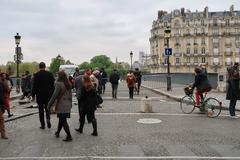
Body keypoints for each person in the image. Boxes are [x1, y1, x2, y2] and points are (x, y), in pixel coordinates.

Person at [47, 71, 73, 141]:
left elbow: (54, 96)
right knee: (61, 119)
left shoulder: (58, 84)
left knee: (63, 120)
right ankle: (58, 132)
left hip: (61, 104)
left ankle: (69, 136)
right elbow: (71, 95)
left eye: (58, 75)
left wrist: (49, 104)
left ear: (60, 76)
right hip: (67, 104)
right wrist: (71, 103)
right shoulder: (68, 84)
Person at [32, 62, 55, 129]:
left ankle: (43, 124)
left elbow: (34, 86)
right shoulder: (50, 74)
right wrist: (53, 94)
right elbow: (52, 85)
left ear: (39, 67)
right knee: (47, 108)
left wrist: (33, 95)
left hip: (39, 95)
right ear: (45, 67)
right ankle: (48, 118)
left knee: (40, 110)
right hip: (48, 95)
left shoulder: (36, 75)